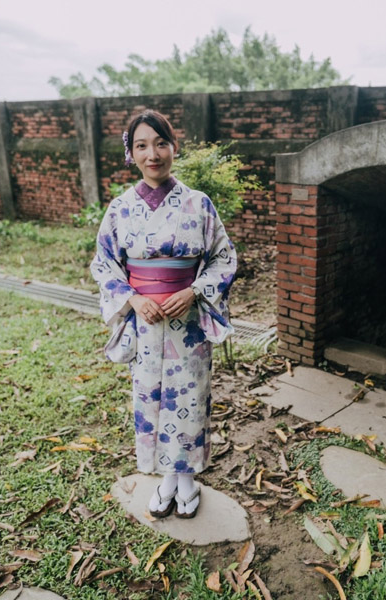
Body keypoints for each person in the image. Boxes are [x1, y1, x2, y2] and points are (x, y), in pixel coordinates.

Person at [90, 109, 237, 519]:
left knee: (188, 399)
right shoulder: (120, 208)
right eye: (141, 146)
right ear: (131, 154)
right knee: (151, 399)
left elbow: (224, 258)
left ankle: (186, 479)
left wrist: (194, 291)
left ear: (173, 147)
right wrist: (133, 299)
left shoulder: (198, 203)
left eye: (160, 143)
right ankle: (165, 478)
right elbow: (104, 263)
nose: (152, 154)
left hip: (187, 324)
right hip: (146, 320)